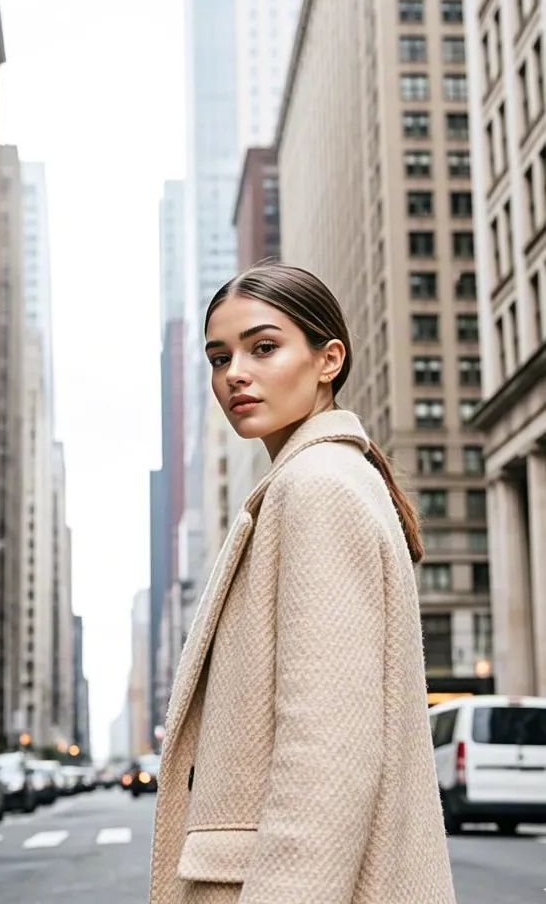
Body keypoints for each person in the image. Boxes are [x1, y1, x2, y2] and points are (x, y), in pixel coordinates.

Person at [149, 262, 456, 904]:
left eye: (264, 347)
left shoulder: (315, 489)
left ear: (328, 360)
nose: (234, 372)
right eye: (218, 356)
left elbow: (327, 753)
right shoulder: (327, 480)